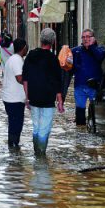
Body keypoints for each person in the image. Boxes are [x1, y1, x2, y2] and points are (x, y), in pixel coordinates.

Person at [22, 28, 64, 156]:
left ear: (41, 40)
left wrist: (27, 97)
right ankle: (41, 155)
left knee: (36, 126)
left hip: (33, 97)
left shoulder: (30, 56)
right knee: (44, 128)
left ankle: (36, 152)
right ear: (53, 42)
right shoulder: (53, 59)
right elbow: (58, 81)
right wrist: (60, 101)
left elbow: (25, 79)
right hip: (48, 99)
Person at [72, 28, 105, 125]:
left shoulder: (100, 49)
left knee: (95, 114)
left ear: (93, 38)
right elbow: (66, 63)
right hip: (79, 86)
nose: (85, 39)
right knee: (80, 115)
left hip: (94, 87)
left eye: (88, 37)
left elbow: (100, 57)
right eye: (83, 37)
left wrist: (91, 46)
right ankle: (80, 136)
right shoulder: (76, 51)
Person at [2, 38, 28, 149]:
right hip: (14, 99)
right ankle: (13, 147)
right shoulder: (17, 60)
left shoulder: (12, 59)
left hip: (11, 98)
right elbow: (19, 78)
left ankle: (13, 149)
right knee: (16, 124)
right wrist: (31, 82)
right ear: (24, 48)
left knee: (14, 124)